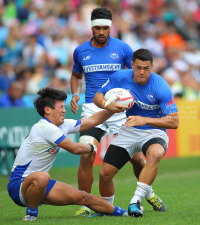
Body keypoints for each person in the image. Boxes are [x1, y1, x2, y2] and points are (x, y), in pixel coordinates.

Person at [70, 7, 163, 216]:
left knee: (138, 159)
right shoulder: (80, 51)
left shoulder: (123, 49)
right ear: (91, 28)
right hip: (93, 108)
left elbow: (138, 75)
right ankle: (85, 204)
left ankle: (148, 193)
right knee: (86, 154)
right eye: (97, 28)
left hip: (121, 110)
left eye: (105, 27)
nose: (101, 32)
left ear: (110, 27)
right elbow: (76, 75)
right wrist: (75, 93)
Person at [7, 87, 128, 221]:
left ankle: (122, 213)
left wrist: (113, 109)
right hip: (19, 186)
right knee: (42, 176)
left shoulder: (63, 125)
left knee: (83, 197)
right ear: (47, 110)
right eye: (60, 107)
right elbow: (75, 149)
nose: (64, 110)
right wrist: (91, 147)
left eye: (64, 107)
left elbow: (92, 121)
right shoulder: (44, 127)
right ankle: (31, 214)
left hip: (41, 186)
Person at [93, 48, 179, 217]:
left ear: (152, 66)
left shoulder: (160, 86)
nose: (141, 72)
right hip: (130, 130)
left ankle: (135, 202)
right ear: (131, 65)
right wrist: (105, 104)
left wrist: (145, 120)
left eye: (146, 68)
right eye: (138, 67)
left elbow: (174, 121)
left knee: (155, 153)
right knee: (104, 174)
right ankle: (107, 208)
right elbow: (97, 95)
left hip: (154, 131)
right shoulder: (120, 77)